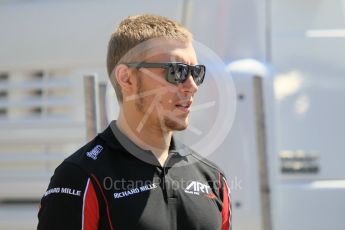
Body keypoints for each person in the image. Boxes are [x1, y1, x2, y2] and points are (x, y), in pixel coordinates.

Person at [38, 14, 231, 230]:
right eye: (177, 72)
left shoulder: (213, 178)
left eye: (196, 73)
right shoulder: (80, 176)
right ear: (126, 78)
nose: (192, 85)